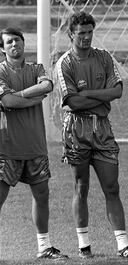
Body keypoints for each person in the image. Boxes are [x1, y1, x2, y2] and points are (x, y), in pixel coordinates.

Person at [55, 11, 128, 259]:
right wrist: (97, 94)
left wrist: (88, 94)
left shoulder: (103, 57)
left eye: (90, 32)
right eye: (81, 33)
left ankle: (123, 245)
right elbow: (71, 102)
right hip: (76, 129)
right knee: (81, 186)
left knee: (112, 186)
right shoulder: (64, 63)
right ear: (71, 34)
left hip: (102, 127)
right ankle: (84, 245)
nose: (86, 38)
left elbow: (117, 91)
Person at [0, 28, 68, 260]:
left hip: (36, 146)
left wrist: (18, 96)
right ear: (3, 48)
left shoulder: (36, 68)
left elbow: (47, 86)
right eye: (8, 42)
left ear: (23, 42)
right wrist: (32, 98)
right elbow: (6, 101)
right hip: (7, 148)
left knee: (41, 195)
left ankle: (44, 247)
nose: (13, 45)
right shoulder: (0, 71)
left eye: (17, 40)